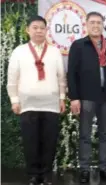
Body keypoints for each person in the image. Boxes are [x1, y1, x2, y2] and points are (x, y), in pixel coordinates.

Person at [6, 15, 66, 185]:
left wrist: (62, 98)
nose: (39, 31)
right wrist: (14, 100)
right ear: (28, 30)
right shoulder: (19, 51)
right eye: (35, 27)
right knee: (30, 141)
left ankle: (46, 174)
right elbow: (12, 79)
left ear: (46, 31)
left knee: (49, 141)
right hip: (27, 104)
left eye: (42, 28)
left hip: (51, 104)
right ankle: (33, 174)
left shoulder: (54, 51)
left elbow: (61, 77)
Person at [67, 12, 106, 183]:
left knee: (105, 134)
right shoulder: (78, 46)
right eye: (92, 22)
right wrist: (74, 98)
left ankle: (104, 168)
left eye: (99, 22)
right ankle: (84, 169)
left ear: (103, 25)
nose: (96, 25)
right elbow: (72, 74)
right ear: (86, 25)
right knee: (85, 134)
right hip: (86, 98)